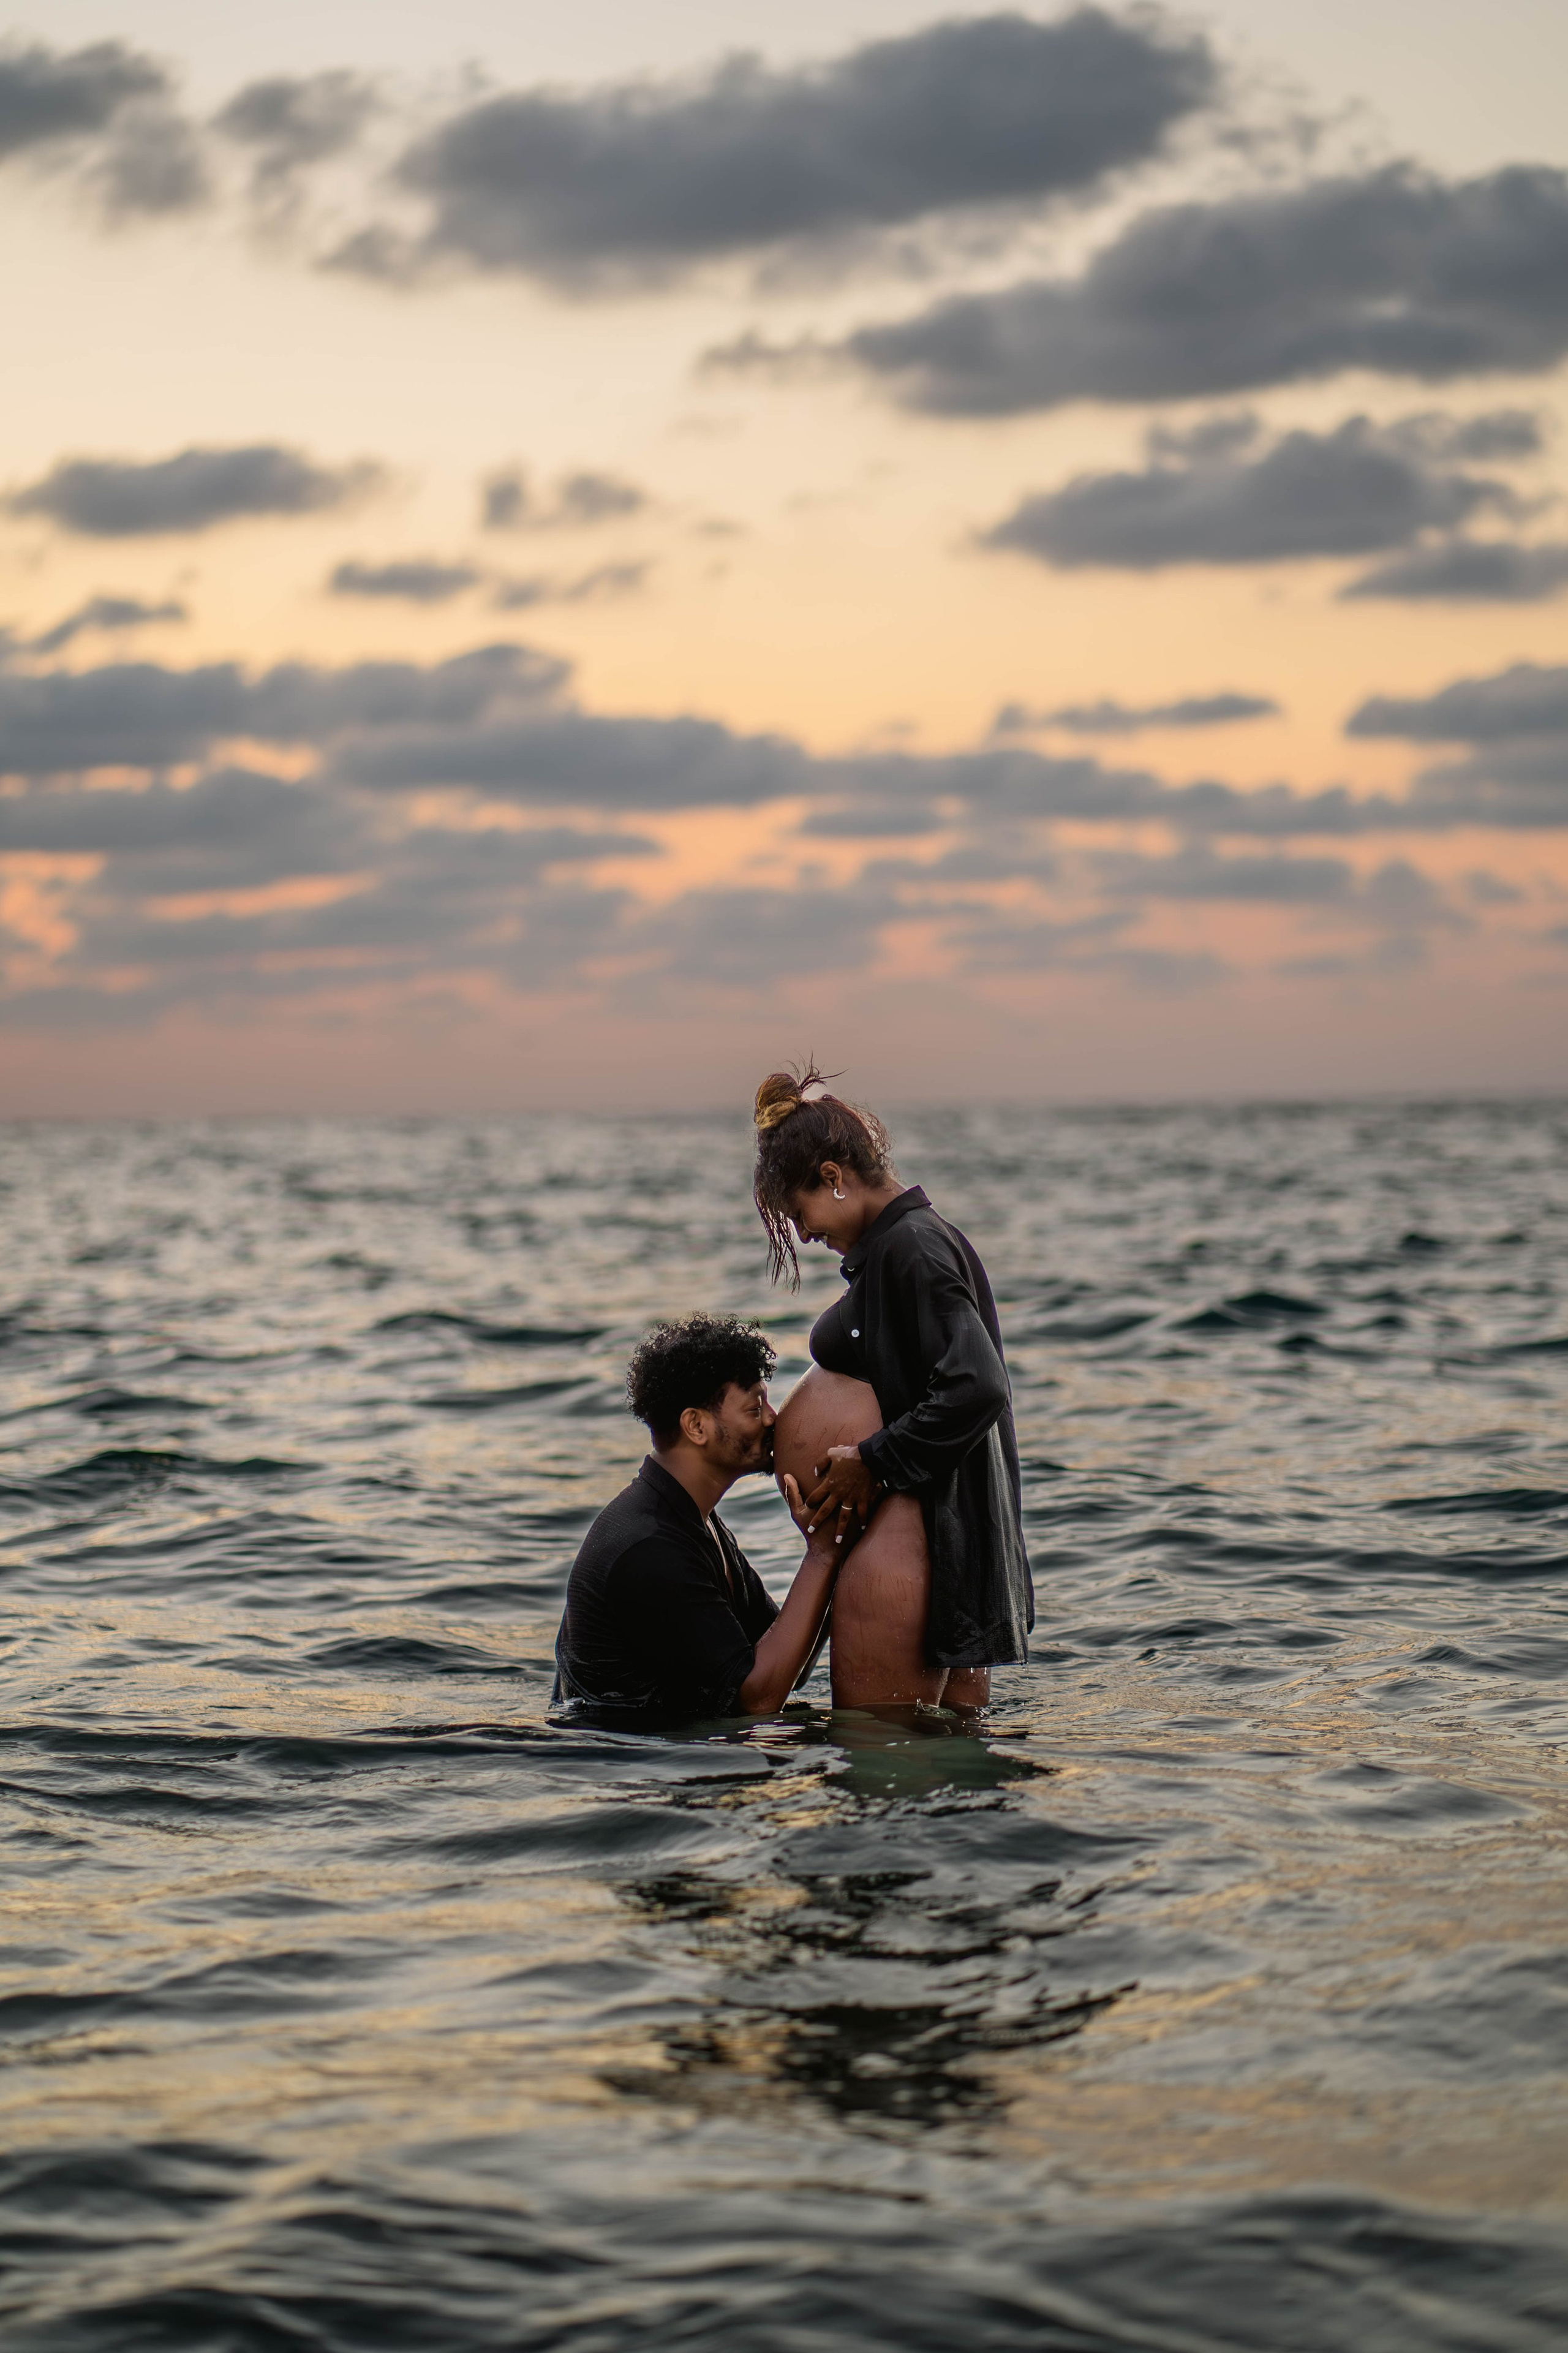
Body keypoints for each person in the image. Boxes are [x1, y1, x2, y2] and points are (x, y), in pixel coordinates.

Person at [755, 1065, 1033, 1710]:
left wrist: (873, 1463)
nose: (802, 1234)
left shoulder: (914, 1248)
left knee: (882, 1769)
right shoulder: (903, 1245)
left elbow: (977, 1385)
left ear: (833, 1177)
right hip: (924, 1541)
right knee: (942, 1770)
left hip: (919, 1541)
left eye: (799, 1213)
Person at [552, 1314, 846, 1718]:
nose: (772, 1418)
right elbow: (757, 1697)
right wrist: (822, 1553)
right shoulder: (650, 1548)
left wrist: (840, 1539)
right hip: (631, 1763)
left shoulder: (695, 1521)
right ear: (696, 1425)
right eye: (754, 1406)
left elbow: (784, 1666)